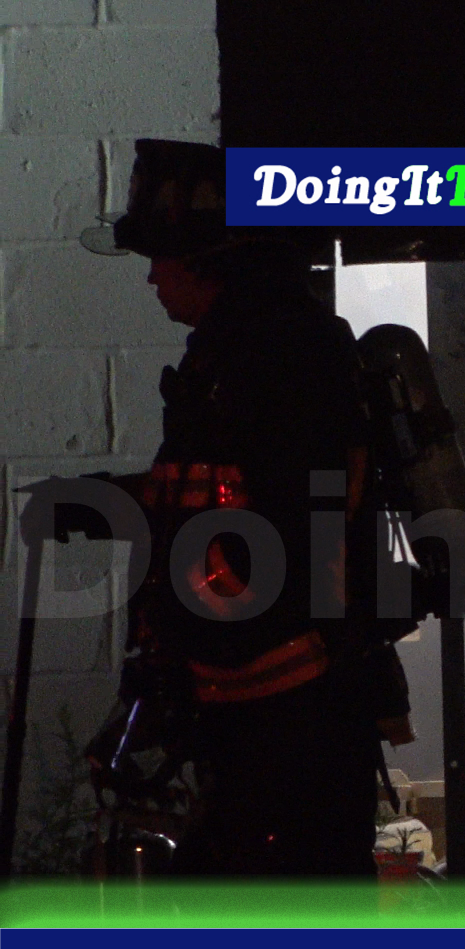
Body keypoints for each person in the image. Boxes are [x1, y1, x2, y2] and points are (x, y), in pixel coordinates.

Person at [82, 139, 411, 875]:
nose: (151, 278)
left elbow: (283, 522)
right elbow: (214, 495)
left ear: (212, 260)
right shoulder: (235, 356)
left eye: (160, 258)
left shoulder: (281, 358)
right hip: (251, 707)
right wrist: (109, 500)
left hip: (291, 713)